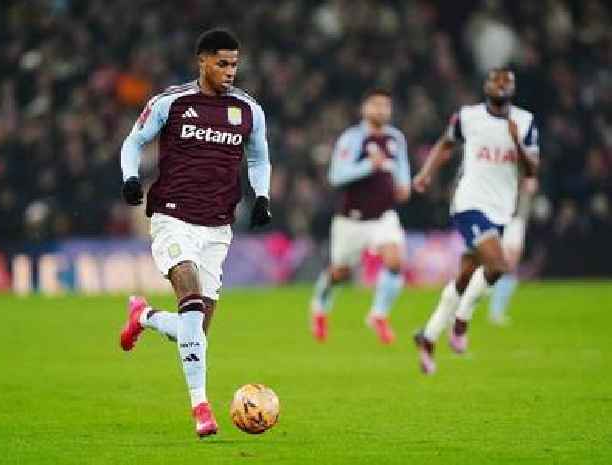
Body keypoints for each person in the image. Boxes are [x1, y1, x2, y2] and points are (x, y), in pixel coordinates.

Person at [117, 29, 272, 437]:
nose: (230, 71)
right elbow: (133, 141)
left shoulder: (248, 110)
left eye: (235, 64)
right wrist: (131, 178)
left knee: (196, 330)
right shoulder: (171, 102)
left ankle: (145, 316)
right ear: (201, 61)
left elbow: (259, 158)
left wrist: (262, 197)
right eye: (222, 63)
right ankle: (201, 408)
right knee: (189, 298)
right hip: (172, 216)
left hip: (218, 227)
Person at [412, 69, 539, 374]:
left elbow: (532, 169)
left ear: (512, 88)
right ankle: (461, 321)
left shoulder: (525, 122)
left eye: (505, 81)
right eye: (495, 81)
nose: (499, 86)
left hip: (501, 207)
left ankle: (428, 336)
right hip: (469, 202)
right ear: (486, 86)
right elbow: (445, 144)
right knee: (497, 265)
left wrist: (516, 142)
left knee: (468, 273)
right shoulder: (468, 117)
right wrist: (425, 173)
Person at [309, 88, 411, 344]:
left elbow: (401, 168)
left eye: (385, 106)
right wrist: (368, 165)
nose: (381, 111)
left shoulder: (395, 138)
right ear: (364, 109)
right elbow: (336, 176)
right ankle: (320, 307)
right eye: (375, 105)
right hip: (352, 220)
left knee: (395, 261)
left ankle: (379, 315)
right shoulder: (352, 139)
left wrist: (404, 185)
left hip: (383, 216)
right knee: (339, 273)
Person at [488, 176, 537, 326]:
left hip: (517, 220)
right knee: (506, 267)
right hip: (506, 220)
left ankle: (496, 312)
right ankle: (494, 312)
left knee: (509, 268)